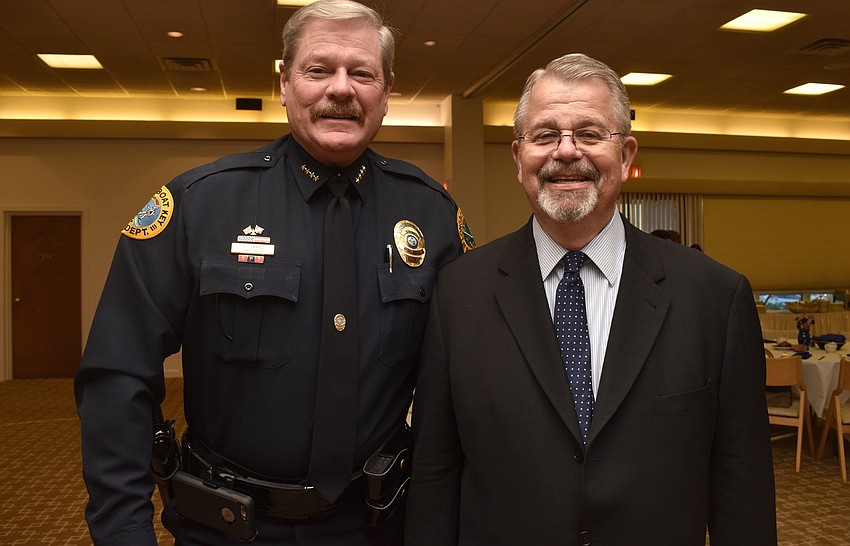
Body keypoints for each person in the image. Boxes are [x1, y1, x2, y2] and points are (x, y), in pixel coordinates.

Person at [75, 1, 472, 545]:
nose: (341, 89)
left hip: (380, 526)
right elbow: (117, 376)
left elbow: (455, 393)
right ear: (284, 82)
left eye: (362, 73)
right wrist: (123, 530)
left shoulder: (433, 216)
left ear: (386, 91)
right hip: (226, 529)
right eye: (318, 69)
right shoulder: (199, 205)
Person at [405, 53, 776, 546]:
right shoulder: (458, 294)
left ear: (625, 156)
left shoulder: (714, 299)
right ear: (519, 159)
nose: (566, 152)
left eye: (589, 133)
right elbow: (435, 472)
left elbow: (742, 485)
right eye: (545, 135)